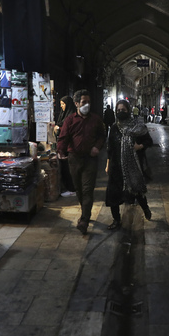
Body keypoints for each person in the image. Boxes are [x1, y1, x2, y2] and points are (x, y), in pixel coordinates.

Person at [57, 89, 107, 234]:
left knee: (87, 189)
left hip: (90, 159)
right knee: (78, 188)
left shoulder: (96, 120)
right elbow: (63, 137)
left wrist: (97, 147)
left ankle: (84, 219)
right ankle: (85, 210)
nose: (87, 105)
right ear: (76, 103)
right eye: (84, 102)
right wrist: (60, 151)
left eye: (89, 102)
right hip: (74, 159)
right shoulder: (70, 120)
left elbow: (102, 136)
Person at [105, 99, 153, 230]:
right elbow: (110, 148)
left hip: (133, 166)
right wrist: (108, 164)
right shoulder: (115, 127)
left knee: (136, 191)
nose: (120, 112)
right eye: (118, 110)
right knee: (113, 194)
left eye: (123, 110)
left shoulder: (137, 127)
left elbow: (149, 141)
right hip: (116, 166)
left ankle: (145, 208)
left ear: (129, 111)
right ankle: (116, 220)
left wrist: (140, 146)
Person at [54, 96, 77, 197]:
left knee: (68, 168)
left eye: (63, 104)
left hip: (69, 147)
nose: (62, 106)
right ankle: (69, 187)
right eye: (61, 104)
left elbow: (69, 131)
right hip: (64, 146)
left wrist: (59, 128)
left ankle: (71, 188)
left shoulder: (71, 116)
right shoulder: (64, 114)